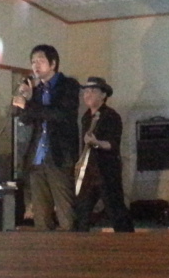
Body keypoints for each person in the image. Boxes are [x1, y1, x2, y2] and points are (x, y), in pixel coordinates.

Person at [12, 44, 79, 231]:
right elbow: (25, 119)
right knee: (41, 216)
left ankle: (71, 247)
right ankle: (45, 248)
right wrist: (27, 98)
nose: (35, 65)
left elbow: (60, 114)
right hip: (37, 158)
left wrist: (29, 105)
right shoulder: (37, 89)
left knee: (66, 214)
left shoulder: (68, 85)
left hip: (59, 157)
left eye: (40, 61)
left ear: (53, 63)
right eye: (33, 62)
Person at [74, 77, 134, 232]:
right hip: (88, 171)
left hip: (106, 170)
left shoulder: (111, 116)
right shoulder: (86, 117)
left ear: (103, 95)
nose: (88, 94)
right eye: (86, 91)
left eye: (92, 91)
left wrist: (97, 142)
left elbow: (113, 144)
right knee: (82, 210)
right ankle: (81, 242)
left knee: (115, 208)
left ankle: (128, 240)